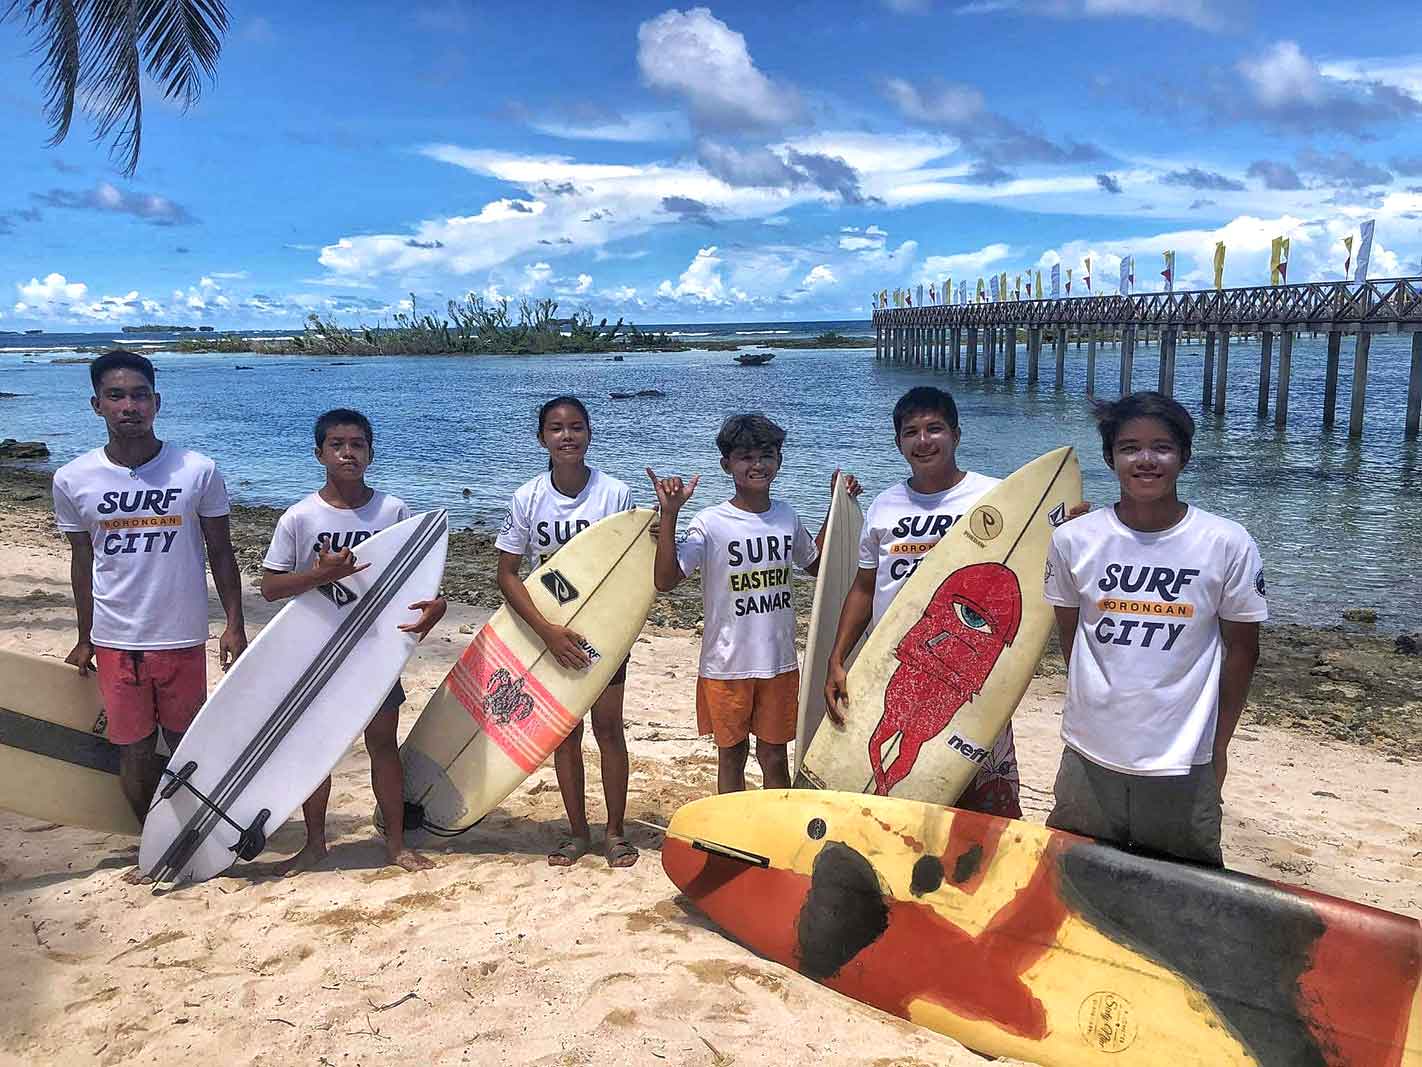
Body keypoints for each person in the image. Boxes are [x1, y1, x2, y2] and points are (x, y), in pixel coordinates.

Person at [1043, 391, 1265, 866]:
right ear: (1110, 457)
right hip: (1088, 750)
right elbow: (1071, 634)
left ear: (1184, 455)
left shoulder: (1226, 543)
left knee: (1183, 894)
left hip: (1183, 757)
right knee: (1076, 875)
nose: (1146, 460)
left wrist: (1218, 743)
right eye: (1129, 448)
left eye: (1161, 447)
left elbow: (1242, 650)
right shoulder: (1073, 540)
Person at [53, 349, 247, 846]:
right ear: (96, 405)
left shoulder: (197, 470)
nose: (129, 405)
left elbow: (221, 553)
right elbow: (83, 562)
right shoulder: (73, 479)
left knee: (188, 746)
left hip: (181, 636)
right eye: (116, 396)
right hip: (116, 640)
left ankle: (197, 837)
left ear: (157, 402)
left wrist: (234, 623)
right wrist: (84, 636)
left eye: (140, 395)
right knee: (134, 750)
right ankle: (153, 839)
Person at [260, 408, 446, 874]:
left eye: (358, 444)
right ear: (318, 452)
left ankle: (396, 844)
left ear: (371, 452)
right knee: (315, 747)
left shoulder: (394, 511)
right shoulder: (300, 518)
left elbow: (416, 580)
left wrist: (436, 607)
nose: (348, 452)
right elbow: (270, 587)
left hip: (376, 648)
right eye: (338, 444)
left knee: (383, 743)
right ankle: (316, 842)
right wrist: (319, 575)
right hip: (317, 648)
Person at [823, 385, 1023, 817]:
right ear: (899, 443)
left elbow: (1025, 571)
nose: (923, 440)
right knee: (894, 777)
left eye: (935, 429)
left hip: (966, 674)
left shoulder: (993, 498)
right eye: (911, 432)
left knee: (982, 786)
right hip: (900, 663)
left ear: (956, 435)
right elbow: (863, 587)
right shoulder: (884, 506)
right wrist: (837, 658)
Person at [649, 413, 856, 794]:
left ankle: (772, 834)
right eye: (745, 456)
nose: (757, 464)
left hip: (778, 663)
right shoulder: (709, 522)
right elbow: (665, 580)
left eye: (767, 454)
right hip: (726, 665)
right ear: (726, 463)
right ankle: (732, 841)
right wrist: (670, 514)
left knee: (775, 756)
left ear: (779, 459)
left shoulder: (786, 516)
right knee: (732, 756)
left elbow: (815, 564)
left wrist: (837, 506)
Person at [494, 396, 639, 869]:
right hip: (550, 635)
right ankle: (577, 832)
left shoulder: (614, 494)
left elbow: (633, 565)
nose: (567, 436)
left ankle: (615, 832)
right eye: (556, 429)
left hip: (605, 631)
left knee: (610, 729)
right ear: (542, 438)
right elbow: (508, 573)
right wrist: (545, 631)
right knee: (565, 735)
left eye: (576, 427)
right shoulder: (527, 497)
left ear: (589, 433)